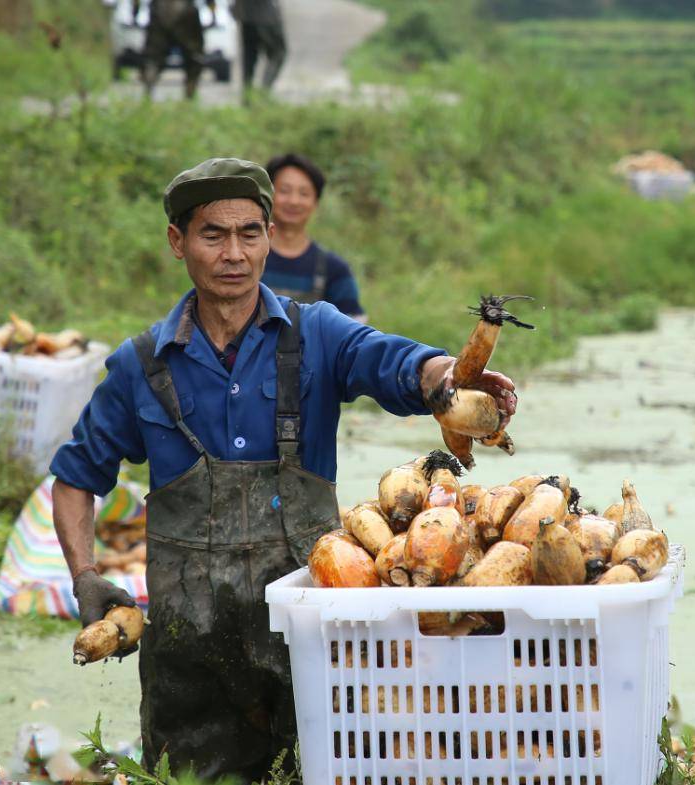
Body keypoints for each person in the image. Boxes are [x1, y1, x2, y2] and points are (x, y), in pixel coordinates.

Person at [50, 158, 517, 781]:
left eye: (250, 233)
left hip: (313, 639)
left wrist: (444, 378)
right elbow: (77, 478)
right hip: (191, 661)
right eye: (213, 235)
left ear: (270, 236)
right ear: (177, 242)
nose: (234, 253)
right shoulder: (141, 366)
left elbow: (393, 360)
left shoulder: (317, 334)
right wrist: (84, 574)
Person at [263, 153, 367, 321]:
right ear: (267, 196)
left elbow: (354, 333)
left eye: (304, 193)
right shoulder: (246, 258)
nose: (294, 201)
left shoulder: (335, 270)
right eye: (284, 191)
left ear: (315, 202)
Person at [135, 0, 216, 100]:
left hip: (159, 10)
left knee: (153, 57)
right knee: (194, 56)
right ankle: (189, 93)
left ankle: (148, 88)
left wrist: (135, 10)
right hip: (186, 11)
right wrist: (212, 10)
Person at [233, 0, 286, 98]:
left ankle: (248, 96)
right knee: (278, 53)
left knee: (249, 56)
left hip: (246, 15)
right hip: (265, 15)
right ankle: (263, 94)